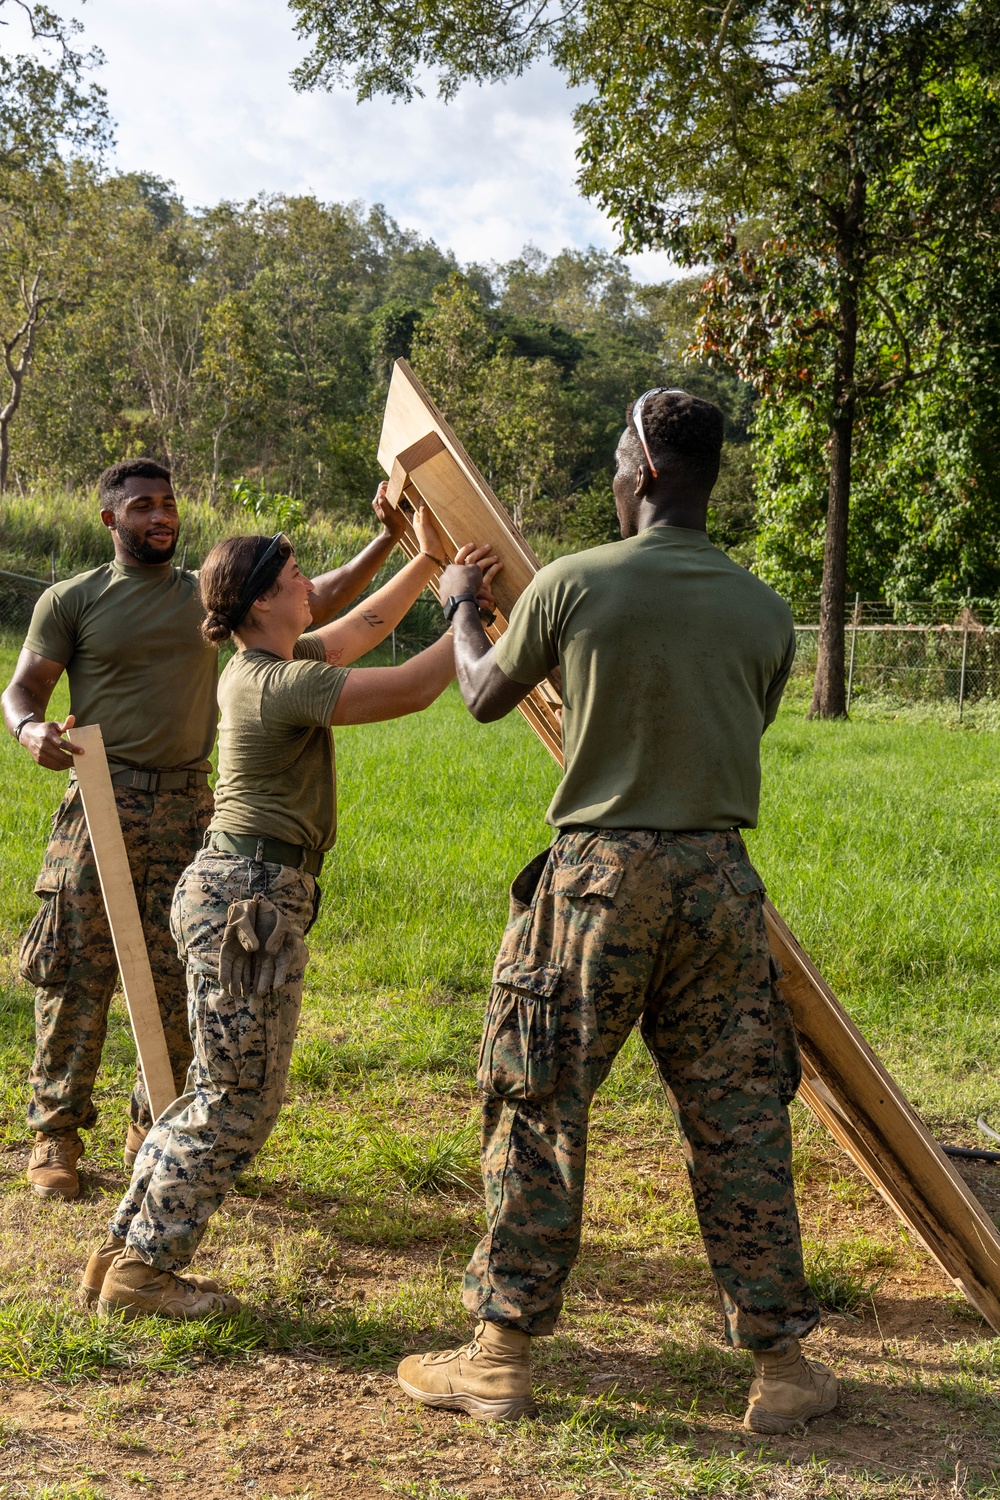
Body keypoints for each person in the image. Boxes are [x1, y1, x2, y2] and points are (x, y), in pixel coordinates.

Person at [395, 389, 838, 1437]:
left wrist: (459, 601)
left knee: (539, 1098)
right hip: (719, 882)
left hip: (596, 878)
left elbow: (484, 697)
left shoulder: (572, 582)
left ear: (641, 470)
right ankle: (779, 1367)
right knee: (737, 1121)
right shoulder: (765, 608)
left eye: (609, 460)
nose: (608, 476)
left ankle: (498, 1357)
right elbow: (739, 721)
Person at [81, 516, 499, 1319]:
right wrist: (465, 611)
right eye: (298, 576)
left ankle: (125, 1253)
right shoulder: (278, 682)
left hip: (238, 892)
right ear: (266, 601)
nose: (312, 585)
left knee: (214, 1087)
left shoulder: (266, 664)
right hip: (251, 901)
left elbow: (361, 629)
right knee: (237, 1099)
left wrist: (428, 563)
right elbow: (411, 687)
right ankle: (143, 1273)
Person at [2, 457, 415, 1202]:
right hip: (102, 799)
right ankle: (56, 1132)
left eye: (167, 504)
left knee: (187, 973)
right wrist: (31, 731)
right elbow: (23, 689)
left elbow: (312, 601)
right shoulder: (74, 599)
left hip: (197, 807)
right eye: (141, 507)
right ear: (110, 520)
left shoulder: (205, 596)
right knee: (76, 967)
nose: (160, 516)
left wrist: (386, 543)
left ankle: (151, 1122)